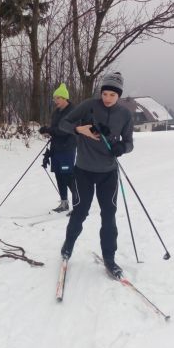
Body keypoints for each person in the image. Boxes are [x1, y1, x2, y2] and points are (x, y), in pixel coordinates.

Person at [57, 72, 133, 278]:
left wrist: (121, 148)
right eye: (105, 93)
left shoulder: (125, 115)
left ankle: (109, 258)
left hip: (108, 173)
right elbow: (63, 124)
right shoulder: (89, 105)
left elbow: (129, 143)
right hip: (84, 171)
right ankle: (68, 246)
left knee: (108, 215)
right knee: (80, 212)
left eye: (112, 95)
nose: (107, 98)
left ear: (119, 96)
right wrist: (79, 129)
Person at [39, 83, 77, 213]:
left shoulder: (72, 111)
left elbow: (65, 130)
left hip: (67, 149)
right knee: (59, 176)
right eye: (54, 98)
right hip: (56, 148)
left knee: (68, 176)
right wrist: (47, 130)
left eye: (57, 98)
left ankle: (79, 204)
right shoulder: (56, 112)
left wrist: (49, 130)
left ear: (65, 98)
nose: (55, 101)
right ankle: (64, 203)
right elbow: (55, 129)